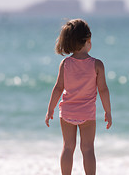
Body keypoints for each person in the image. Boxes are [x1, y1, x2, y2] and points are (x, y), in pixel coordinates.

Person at [45, 18, 112, 175]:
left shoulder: (65, 64)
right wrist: (108, 111)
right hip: (87, 114)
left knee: (68, 147)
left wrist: (50, 109)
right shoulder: (97, 65)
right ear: (88, 40)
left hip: (67, 112)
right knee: (88, 149)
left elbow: (58, 88)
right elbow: (103, 90)